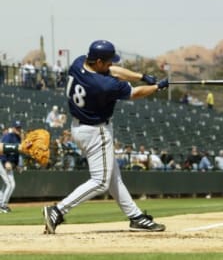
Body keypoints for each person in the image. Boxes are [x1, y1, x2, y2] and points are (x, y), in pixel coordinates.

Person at [42, 39, 168, 234]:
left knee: (113, 178)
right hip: (96, 131)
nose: (111, 64)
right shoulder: (103, 85)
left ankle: (136, 217)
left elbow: (114, 71)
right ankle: (57, 211)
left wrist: (142, 76)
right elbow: (133, 93)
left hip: (79, 128)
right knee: (101, 181)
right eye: (108, 61)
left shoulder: (78, 63)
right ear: (99, 61)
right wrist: (157, 88)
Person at [0, 120, 23, 213]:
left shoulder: (18, 138)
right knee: (8, 184)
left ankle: (1, 204)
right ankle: (3, 205)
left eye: (19, 127)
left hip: (9, 163)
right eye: (17, 127)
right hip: (2, 161)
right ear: (13, 128)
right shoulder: (8, 136)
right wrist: (5, 161)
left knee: (11, 184)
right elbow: (1, 149)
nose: (18, 129)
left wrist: (16, 165)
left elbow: (16, 153)